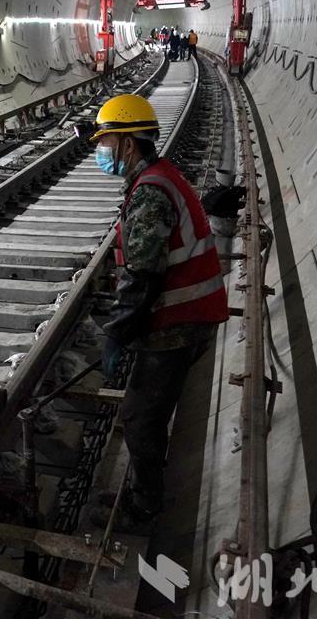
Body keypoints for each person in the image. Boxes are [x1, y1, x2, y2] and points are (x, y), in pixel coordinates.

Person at [86, 94, 229, 531]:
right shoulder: (160, 176)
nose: (101, 151)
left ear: (128, 144)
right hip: (188, 317)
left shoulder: (149, 192)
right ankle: (146, 489)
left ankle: (146, 505)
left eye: (106, 141)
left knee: (140, 415)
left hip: (177, 325)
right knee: (148, 410)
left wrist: (116, 334)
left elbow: (142, 277)